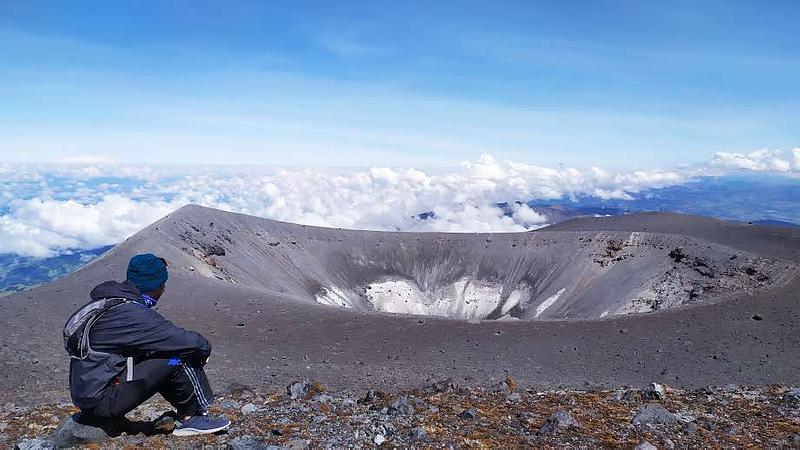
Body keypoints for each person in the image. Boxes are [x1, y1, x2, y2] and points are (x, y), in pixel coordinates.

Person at [65, 253, 230, 436]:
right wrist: (204, 350)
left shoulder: (108, 304)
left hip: (88, 395)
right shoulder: (131, 313)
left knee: (159, 352)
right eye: (162, 285)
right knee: (176, 358)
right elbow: (186, 342)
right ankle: (194, 416)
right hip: (103, 400)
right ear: (154, 285)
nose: (164, 289)